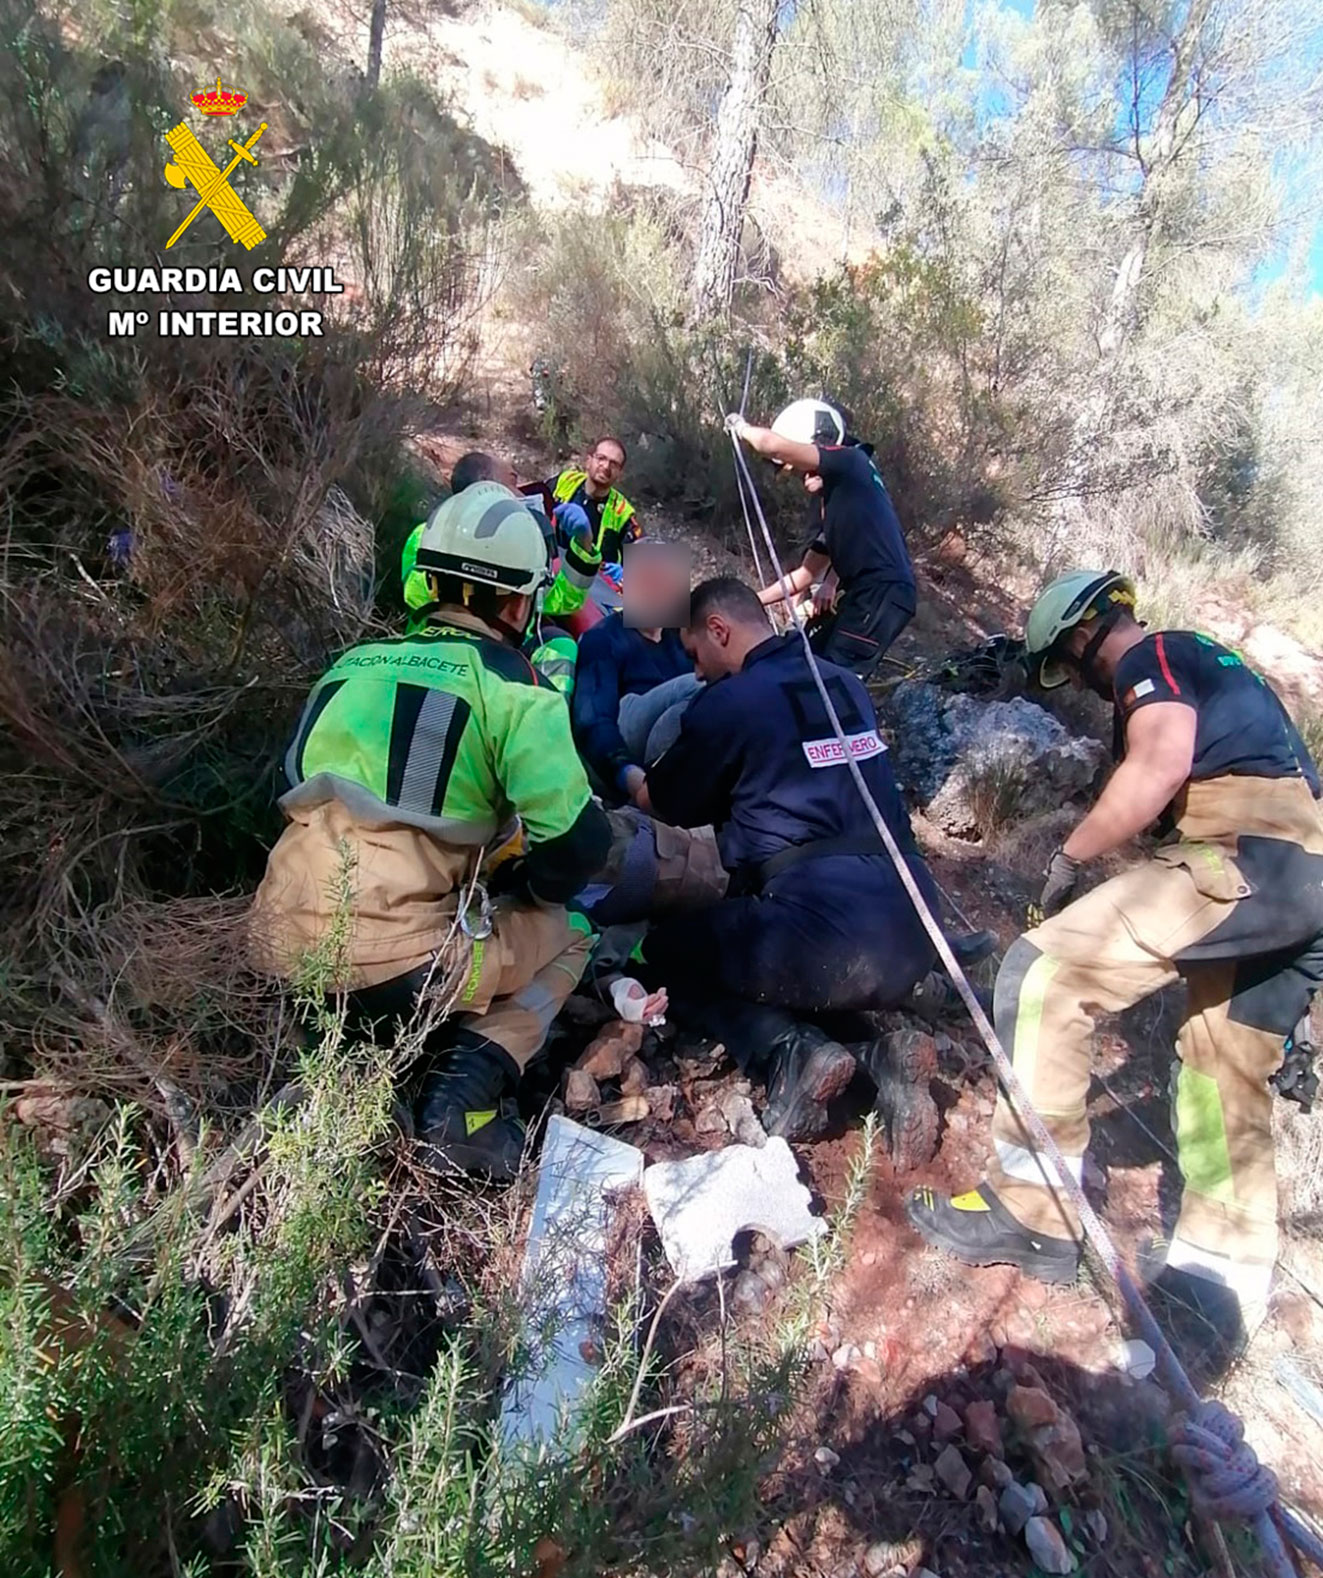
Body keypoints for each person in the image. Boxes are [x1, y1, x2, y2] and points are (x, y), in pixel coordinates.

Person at [907, 570, 1323, 1369]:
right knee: (1221, 1069)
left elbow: (1159, 764)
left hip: (1241, 860)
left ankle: (1034, 1213)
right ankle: (1216, 1290)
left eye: (1064, 665)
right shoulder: (1228, 668)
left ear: (1080, 636)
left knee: (1040, 973)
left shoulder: (1151, 657)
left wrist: (1069, 856)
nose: (1081, 682)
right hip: (1301, 884)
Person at [250, 482, 612, 1179]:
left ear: (432, 579)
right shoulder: (517, 693)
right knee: (573, 931)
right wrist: (524, 884)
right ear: (518, 603)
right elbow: (576, 850)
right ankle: (466, 1093)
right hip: (400, 965)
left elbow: (288, 785)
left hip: (276, 938)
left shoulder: (347, 666)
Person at [633, 577, 943, 1158]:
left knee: (666, 954)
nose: (698, 674)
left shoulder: (730, 701)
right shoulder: (844, 682)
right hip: (913, 925)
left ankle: (786, 1052)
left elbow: (665, 801)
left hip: (820, 933)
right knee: (802, 953)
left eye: (697, 656)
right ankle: (881, 1059)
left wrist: (621, 769)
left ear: (719, 630)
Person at [727, 400, 916, 680]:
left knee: (828, 682)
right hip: (870, 595)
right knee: (805, 660)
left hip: (879, 595)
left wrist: (740, 428)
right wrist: (754, 600)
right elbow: (804, 576)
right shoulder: (845, 500)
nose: (805, 479)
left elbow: (772, 445)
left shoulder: (850, 461)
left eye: (806, 468)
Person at [399, 451, 594, 694]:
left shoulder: (525, 543)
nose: (523, 491)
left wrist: (584, 544)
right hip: (440, 650)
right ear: (487, 487)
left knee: (560, 645)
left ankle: (551, 716)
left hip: (510, 649)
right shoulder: (429, 535)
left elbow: (561, 600)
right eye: (513, 481)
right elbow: (419, 600)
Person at [572, 541, 703, 804]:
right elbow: (592, 720)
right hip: (617, 753)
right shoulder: (603, 639)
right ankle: (656, 790)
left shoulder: (680, 638)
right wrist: (629, 776)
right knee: (695, 686)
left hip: (678, 743)